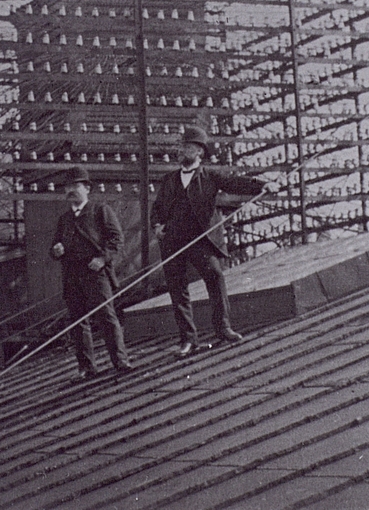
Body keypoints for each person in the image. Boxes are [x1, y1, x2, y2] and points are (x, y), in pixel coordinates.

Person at [151, 125, 267, 357]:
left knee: (215, 276)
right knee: (177, 288)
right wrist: (157, 226)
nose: (181, 151)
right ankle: (188, 340)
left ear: (199, 151)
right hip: (173, 240)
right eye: (181, 146)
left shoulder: (210, 176)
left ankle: (223, 328)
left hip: (200, 239)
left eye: (187, 147)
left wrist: (260, 185)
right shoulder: (169, 179)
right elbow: (157, 208)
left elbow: (234, 183)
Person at [50, 166, 134, 380]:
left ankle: (121, 361)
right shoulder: (64, 219)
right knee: (78, 321)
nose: (71, 190)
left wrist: (102, 259)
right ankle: (86, 368)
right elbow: (54, 247)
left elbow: (116, 240)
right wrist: (57, 250)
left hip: (95, 273)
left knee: (106, 316)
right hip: (71, 275)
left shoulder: (100, 211)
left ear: (87, 188)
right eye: (68, 187)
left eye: (76, 186)